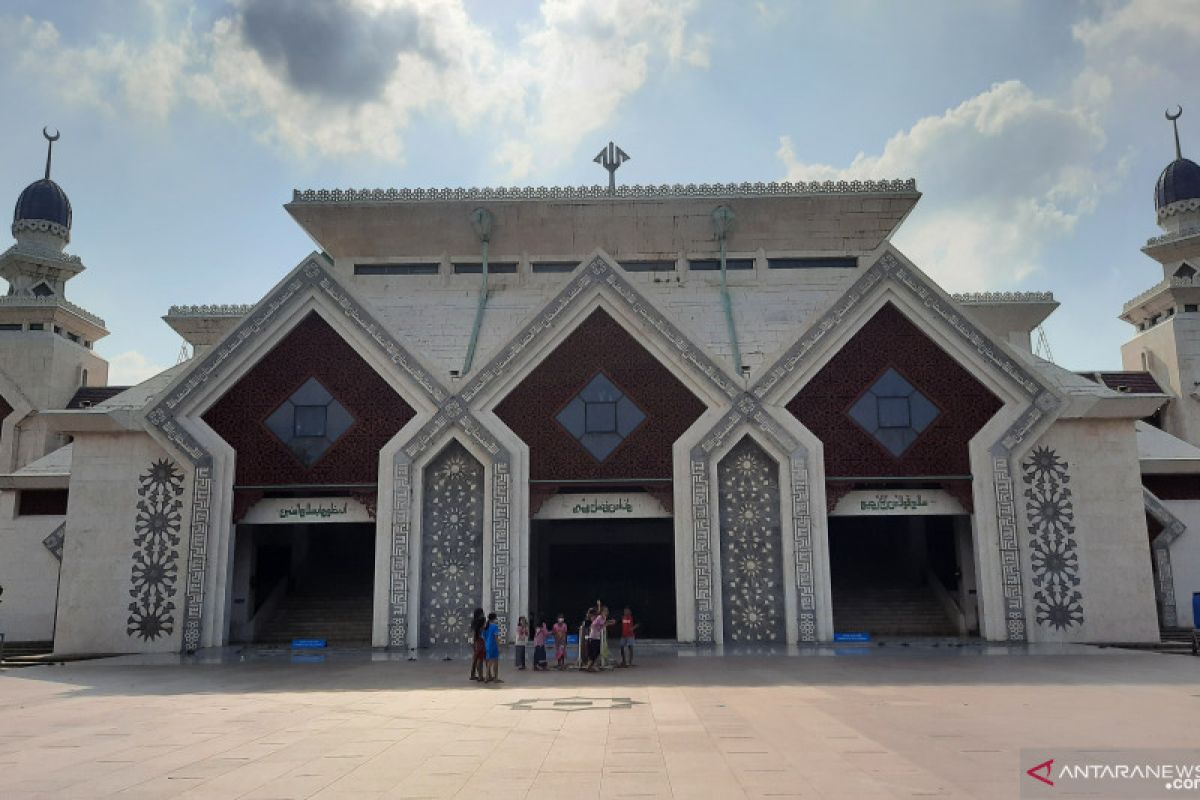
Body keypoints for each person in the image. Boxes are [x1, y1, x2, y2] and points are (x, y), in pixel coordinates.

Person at [483, 612, 502, 683]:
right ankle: (495, 678)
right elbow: (496, 637)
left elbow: (484, 637)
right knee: (495, 663)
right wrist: (499, 646)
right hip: (493, 645)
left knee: (489, 662)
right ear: (494, 618)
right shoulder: (494, 626)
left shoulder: (486, 626)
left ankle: (487, 677)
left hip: (487, 645)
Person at [586, 605, 605, 672]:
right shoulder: (596, 621)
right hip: (594, 640)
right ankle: (589, 666)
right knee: (593, 654)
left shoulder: (596, 621)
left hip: (593, 639)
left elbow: (602, 622)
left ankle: (590, 666)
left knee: (593, 654)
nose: (591, 617)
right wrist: (599, 607)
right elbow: (599, 616)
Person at [469, 607, 485, 682]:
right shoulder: (482, 620)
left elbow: (472, 631)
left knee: (475, 658)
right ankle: (480, 676)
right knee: (480, 659)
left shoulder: (473, 621)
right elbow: (483, 629)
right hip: (480, 641)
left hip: (474, 641)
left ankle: (472, 675)